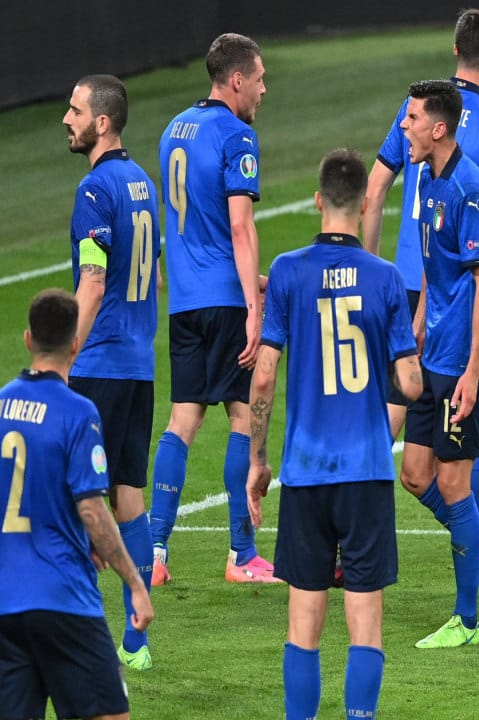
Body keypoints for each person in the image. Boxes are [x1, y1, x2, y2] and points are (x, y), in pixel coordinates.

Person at [246, 149, 421, 720]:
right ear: (366, 203)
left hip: (305, 473)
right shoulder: (386, 278)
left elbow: (264, 375)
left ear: (318, 200)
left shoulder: (288, 271)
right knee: (365, 622)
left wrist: (258, 460)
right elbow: (410, 383)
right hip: (366, 471)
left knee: (304, 622)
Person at [364, 9, 479, 474]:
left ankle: (356, 495)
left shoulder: (415, 110)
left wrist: (371, 269)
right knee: (471, 411)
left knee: (396, 403)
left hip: (405, 281)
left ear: (456, 48)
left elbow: (374, 191)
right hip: (456, 289)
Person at [397, 80, 479, 648]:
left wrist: (473, 373)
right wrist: (420, 316)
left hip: (465, 366)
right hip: (435, 354)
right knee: (415, 474)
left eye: (411, 119)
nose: (403, 127)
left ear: (439, 128)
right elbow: (436, 262)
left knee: (454, 484)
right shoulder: (426, 177)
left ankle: (466, 620)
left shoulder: (470, 190)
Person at [151, 32, 279, 585]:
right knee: (241, 415)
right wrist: (253, 305)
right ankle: (241, 554)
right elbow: (239, 226)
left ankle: (154, 553)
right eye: (260, 79)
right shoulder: (237, 135)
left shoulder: (172, 130)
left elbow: (189, 223)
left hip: (184, 302)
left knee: (182, 419)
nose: (263, 89)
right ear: (236, 79)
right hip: (225, 298)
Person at [0, 288, 156, 720]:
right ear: (75, 344)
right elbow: (91, 509)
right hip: (63, 597)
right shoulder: (77, 412)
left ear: (28, 339)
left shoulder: (1, 405)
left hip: (6, 603)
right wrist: (135, 584)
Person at [61, 74, 161, 670]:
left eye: (75, 111)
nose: (66, 120)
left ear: (102, 122)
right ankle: (136, 643)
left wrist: (63, 358)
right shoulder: (143, 183)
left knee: (74, 497)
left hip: (98, 363)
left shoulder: (95, 190)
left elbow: (93, 282)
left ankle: (70, 633)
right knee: (128, 495)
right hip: (139, 366)